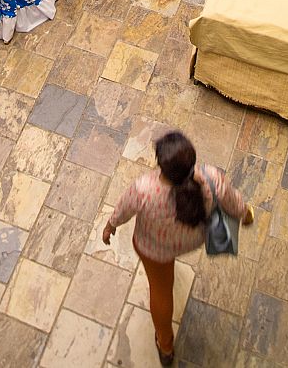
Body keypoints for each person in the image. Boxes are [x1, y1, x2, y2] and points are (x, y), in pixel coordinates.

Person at [103, 130, 253, 365]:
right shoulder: (211, 179)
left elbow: (123, 210)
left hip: (154, 249)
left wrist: (110, 226)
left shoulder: (144, 189)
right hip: (189, 241)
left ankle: (165, 346)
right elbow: (233, 201)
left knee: (161, 292)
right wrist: (245, 215)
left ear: (161, 165)